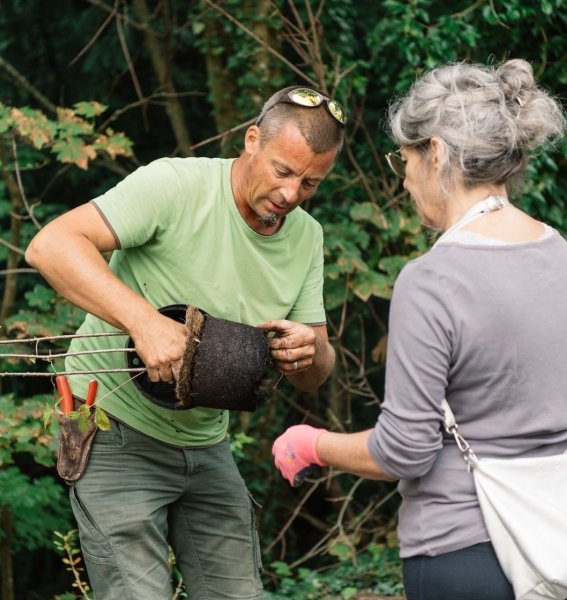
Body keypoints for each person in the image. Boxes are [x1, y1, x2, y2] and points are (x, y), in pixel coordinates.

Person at [271, 59, 567, 600]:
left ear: (437, 153)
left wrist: (314, 444)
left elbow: (405, 451)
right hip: (558, 552)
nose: (403, 176)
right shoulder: (560, 255)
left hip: (463, 559)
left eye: (405, 158)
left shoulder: (432, 279)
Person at [25, 86, 345, 599]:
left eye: (311, 183)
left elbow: (316, 371)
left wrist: (310, 351)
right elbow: (51, 246)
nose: (291, 194)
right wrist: (142, 321)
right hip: (113, 428)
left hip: (205, 441)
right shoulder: (176, 185)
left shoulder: (307, 237)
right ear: (252, 140)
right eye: (283, 172)